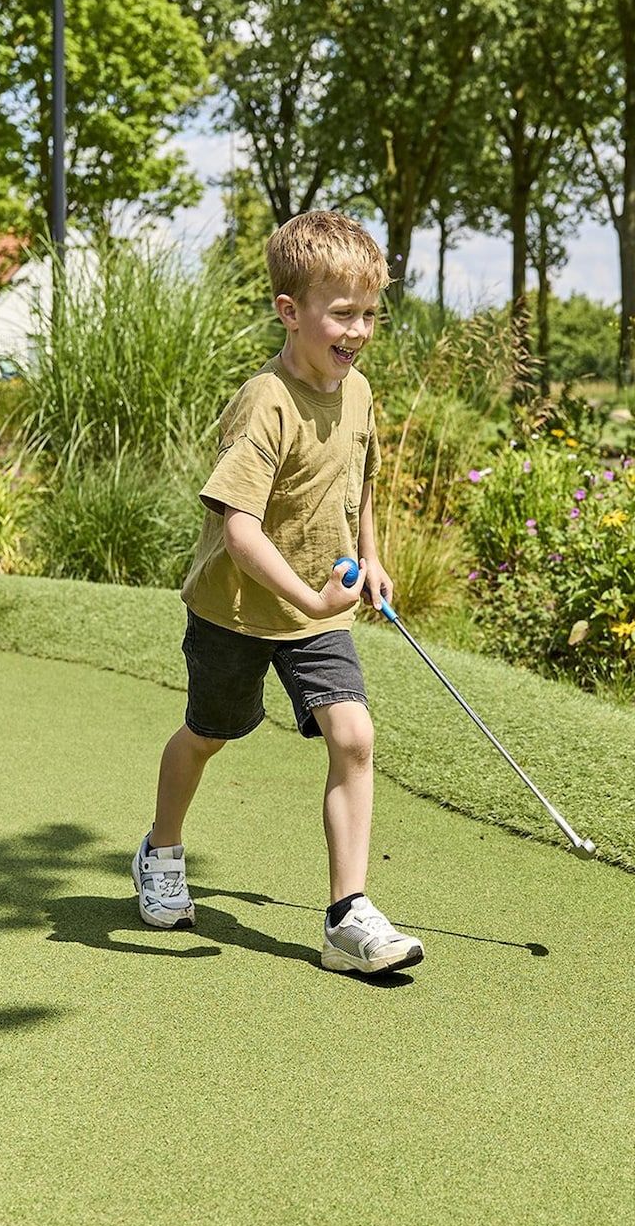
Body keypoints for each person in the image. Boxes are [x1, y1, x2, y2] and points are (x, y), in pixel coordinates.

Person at [132, 211, 423, 975]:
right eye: (341, 314)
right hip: (234, 610)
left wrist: (371, 555)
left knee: (354, 738)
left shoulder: (357, 392)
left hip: (314, 613)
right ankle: (161, 849)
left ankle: (346, 916)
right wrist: (315, 599)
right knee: (209, 734)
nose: (358, 332)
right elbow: (240, 531)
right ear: (290, 312)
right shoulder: (264, 402)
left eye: (369, 314)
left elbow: (359, 484)